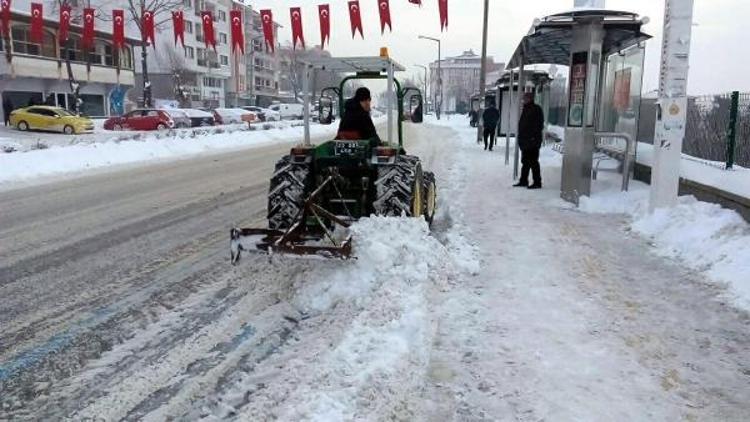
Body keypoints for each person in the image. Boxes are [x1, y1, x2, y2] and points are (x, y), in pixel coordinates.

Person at [514, 92, 545, 189]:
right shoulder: (526, 108)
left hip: (532, 141)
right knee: (525, 162)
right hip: (525, 141)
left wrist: (533, 137)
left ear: (530, 99)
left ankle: (537, 182)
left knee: (533, 162)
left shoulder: (536, 109)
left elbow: (538, 125)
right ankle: (523, 180)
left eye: (525, 98)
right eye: (524, 98)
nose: (523, 100)